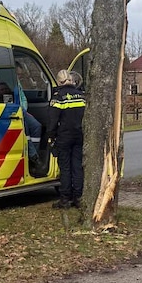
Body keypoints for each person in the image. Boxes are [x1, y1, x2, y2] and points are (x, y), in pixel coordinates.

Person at [45, 69, 86, 209]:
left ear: (58, 81)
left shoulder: (58, 97)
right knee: (77, 167)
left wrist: (50, 137)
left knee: (65, 168)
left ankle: (65, 199)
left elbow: (52, 121)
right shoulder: (81, 96)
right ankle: (78, 198)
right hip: (79, 136)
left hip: (63, 137)